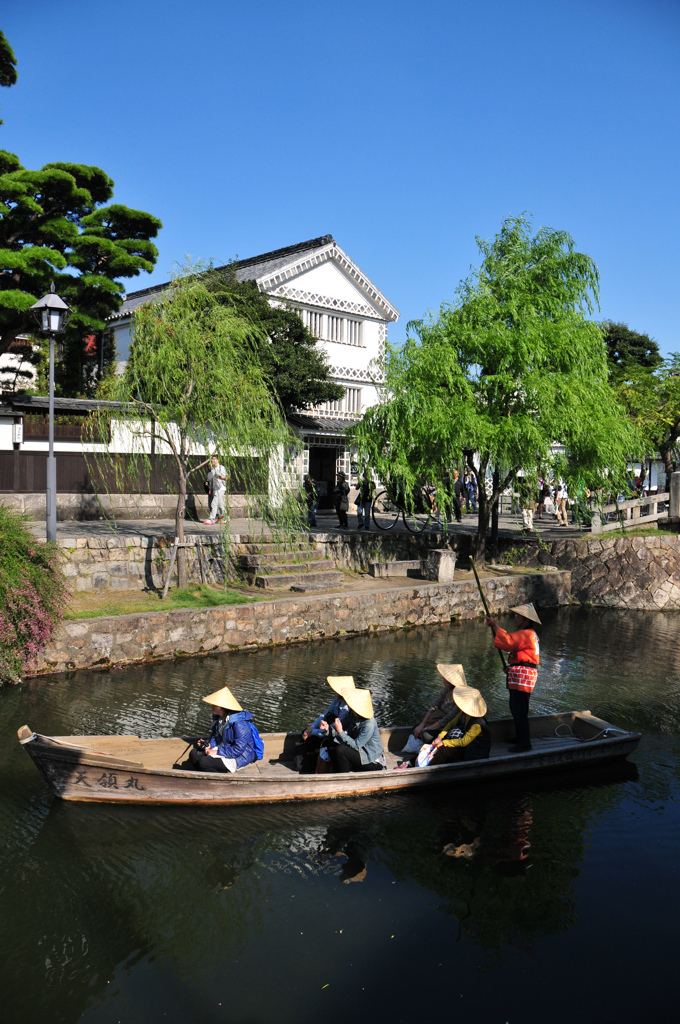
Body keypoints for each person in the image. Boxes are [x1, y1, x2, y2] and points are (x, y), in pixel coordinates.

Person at [485, 603, 541, 753]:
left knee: (519, 709)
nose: (515, 618)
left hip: (523, 677)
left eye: (518, 616)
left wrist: (494, 625)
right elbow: (521, 655)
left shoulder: (527, 634)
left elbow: (508, 642)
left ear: (526, 620)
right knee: (517, 708)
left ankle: (524, 744)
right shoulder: (529, 634)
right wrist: (510, 668)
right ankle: (520, 737)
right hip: (522, 674)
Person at [185, 686, 257, 772]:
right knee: (194, 754)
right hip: (224, 750)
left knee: (204, 763)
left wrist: (217, 752)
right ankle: (206, 777)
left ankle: (217, 782)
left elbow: (238, 750)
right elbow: (216, 738)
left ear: (223, 707)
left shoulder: (240, 724)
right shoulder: (219, 719)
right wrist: (209, 745)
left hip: (239, 756)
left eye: (215, 705)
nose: (211, 706)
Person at [295, 676, 355, 773]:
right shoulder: (336, 700)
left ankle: (314, 767)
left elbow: (334, 728)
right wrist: (312, 727)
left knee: (313, 738)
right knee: (307, 734)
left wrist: (313, 732)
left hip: (338, 733)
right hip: (329, 728)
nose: (333, 690)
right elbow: (325, 714)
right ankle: (307, 765)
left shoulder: (346, 709)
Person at [320, 687, 386, 773]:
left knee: (341, 749)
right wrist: (328, 728)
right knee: (330, 742)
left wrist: (340, 732)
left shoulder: (369, 724)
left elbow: (356, 745)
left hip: (370, 759)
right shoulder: (351, 715)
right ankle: (338, 772)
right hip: (359, 754)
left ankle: (344, 778)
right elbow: (339, 728)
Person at [429, 686, 491, 764]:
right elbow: (451, 723)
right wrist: (439, 737)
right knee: (434, 739)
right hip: (464, 743)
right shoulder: (463, 713)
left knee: (444, 749)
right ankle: (413, 762)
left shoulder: (477, 724)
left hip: (473, 750)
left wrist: (444, 743)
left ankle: (429, 767)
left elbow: (463, 742)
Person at [412, 663, 468, 742]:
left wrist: (426, 728)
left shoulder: (460, 697)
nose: (443, 678)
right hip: (436, 720)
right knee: (415, 727)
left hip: (447, 727)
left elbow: (447, 719)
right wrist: (423, 724)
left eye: (445, 677)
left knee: (426, 735)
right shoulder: (446, 689)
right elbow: (434, 706)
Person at [204, 455, 227, 525]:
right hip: (215, 488)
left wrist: (219, 477)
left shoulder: (221, 468)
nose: (212, 461)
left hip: (220, 488)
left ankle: (212, 519)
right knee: (220, 504)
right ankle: (225, 518)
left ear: (217, 460)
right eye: (212, 459)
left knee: (214, 503)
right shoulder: (213, 469)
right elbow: (212, 480)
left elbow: (226, 477)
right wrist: (210, 488)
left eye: (213, 459)